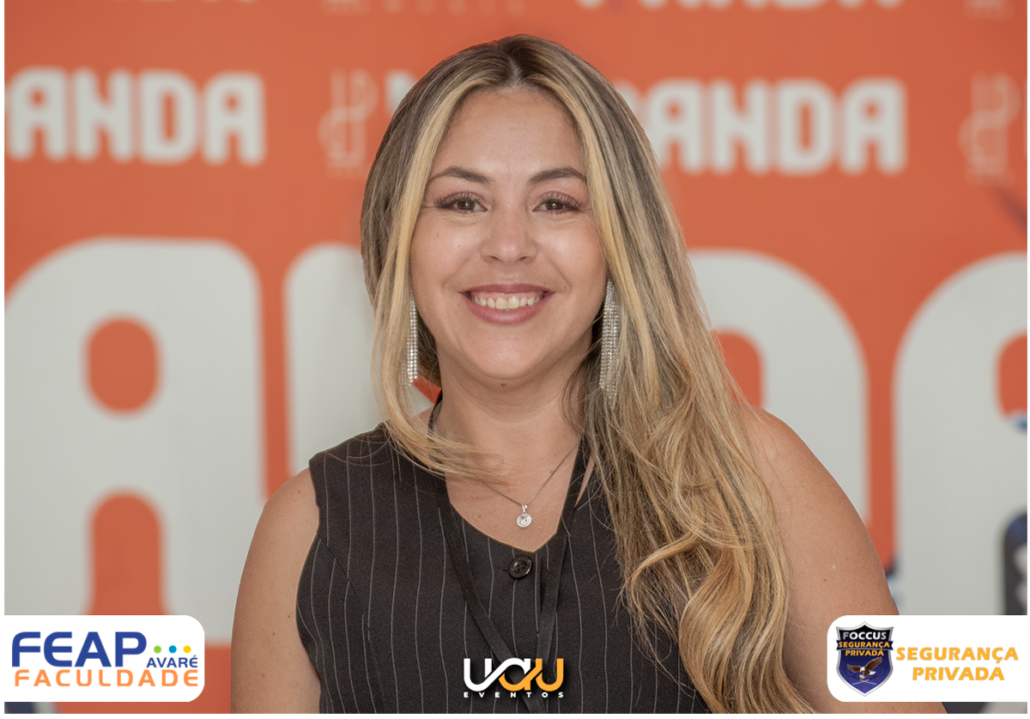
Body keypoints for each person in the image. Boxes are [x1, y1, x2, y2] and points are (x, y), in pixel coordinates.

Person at [231, 35, 942, 714]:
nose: (508, 244)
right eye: (463, 202)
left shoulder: (754, 475)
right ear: (398, 239)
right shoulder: (308, 528)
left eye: (557, 203)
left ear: (619, 239)